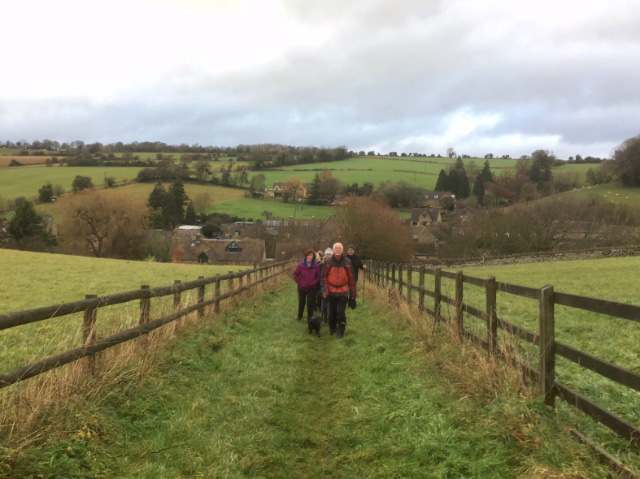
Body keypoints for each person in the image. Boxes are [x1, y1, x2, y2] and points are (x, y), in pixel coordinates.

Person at [321, 242, 356, 339]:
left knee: (341, 313)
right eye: (336, 248)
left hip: (343, 292)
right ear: (333, 251)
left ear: (342, 251)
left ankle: (340, 332)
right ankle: (332, 329)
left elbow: (351, 279)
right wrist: (324, 290)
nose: (338, 250)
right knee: (332, 313)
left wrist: (353, 295)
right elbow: (323, 277)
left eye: (339, 249)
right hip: (331, 292)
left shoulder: (347, 262)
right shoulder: (328, 262)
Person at [292, 248, 321, 322]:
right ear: (306, 256)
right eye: (308, 255)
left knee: (310, 303)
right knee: (301, 302)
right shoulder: (301, 265)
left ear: (313, 257)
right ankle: (299, 316)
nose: (309, 257)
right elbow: (295, 275)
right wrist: (299, 282)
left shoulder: (316, 266)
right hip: (301, 288)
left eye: (311, 255)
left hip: (312, 288)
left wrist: (314, 283)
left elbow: (318, 277)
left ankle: (310, 318)